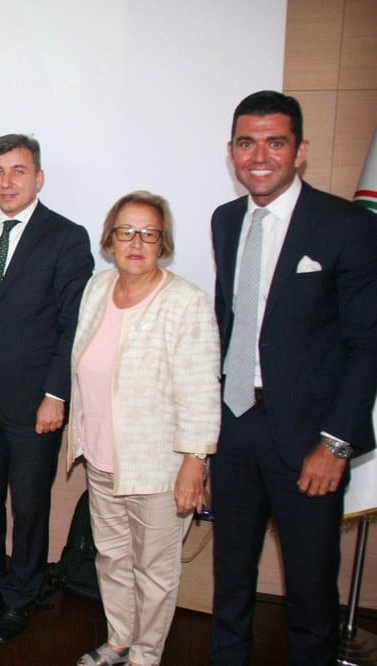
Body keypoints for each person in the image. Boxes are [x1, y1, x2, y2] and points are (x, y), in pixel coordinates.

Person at [211, 90, 377, 664]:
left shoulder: (345, 225)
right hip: (233, 427)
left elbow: (367, 344)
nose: (259, 155)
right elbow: (228, 321)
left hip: (308, 439)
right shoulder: (226, 220)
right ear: (231, 150)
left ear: (300, 150)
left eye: (275, 142)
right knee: (230, 576)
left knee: (309, 590)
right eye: (246, 142)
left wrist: (335, 443)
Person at [0, 134, 94, 643]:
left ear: (38, 177)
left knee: (29, 506)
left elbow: (73, 325)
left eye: (18, 171)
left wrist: (57, 394)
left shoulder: (66, 237)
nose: (6, 181)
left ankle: (20, 595)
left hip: (35, 403)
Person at [67, 191, 220, 666]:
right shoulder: (97, 288)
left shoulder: (185, 302)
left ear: (163, 243)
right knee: (111, 558)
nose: (136, 242)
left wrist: (195, 461)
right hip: (100, 457)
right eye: (125, 232)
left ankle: (146, 656)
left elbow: (200, 390)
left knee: (155, 570)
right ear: (110, 240)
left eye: (148, 233)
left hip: (157, 468)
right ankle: (118, 641)